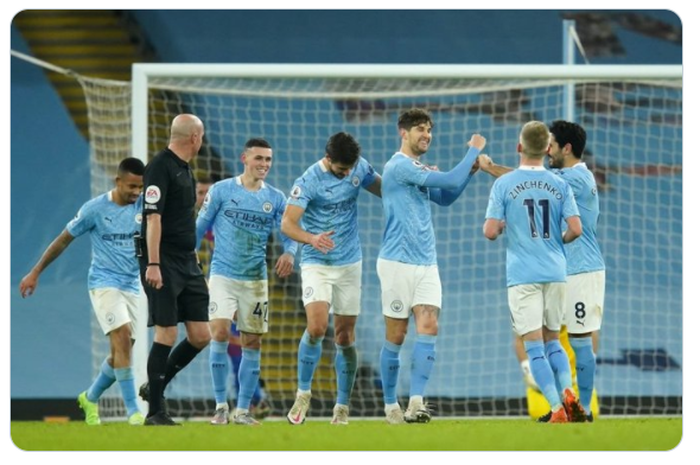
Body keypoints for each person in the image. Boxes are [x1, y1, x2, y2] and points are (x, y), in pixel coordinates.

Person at [480, 120, 604, 422]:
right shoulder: (561, 178)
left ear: (566, 148)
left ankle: (582, 408)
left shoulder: (573, 178)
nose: (548, 151)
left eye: (553, 145)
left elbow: (529, 181)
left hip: (580, 269)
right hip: (561, 269)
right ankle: (570, 404)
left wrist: (490, 167)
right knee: (558, 341)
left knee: (577, 339)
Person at [19, 157, 146, 426]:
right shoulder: (94, 209)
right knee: (122, 338)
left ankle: (90, 396)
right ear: (118, 181)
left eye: (140, 187)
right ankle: (134, 411)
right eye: (132, 186)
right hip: (104, 282)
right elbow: (64, 239)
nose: (136, 192)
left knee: (121, 351)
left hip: (132, 285)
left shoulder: (144, 207)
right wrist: (36, 271)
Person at [377, 108, 484, 424]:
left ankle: (416, 403)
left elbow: (446, 196)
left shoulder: (418, 168)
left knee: (429, 326)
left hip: (426, 261)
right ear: (403, 132)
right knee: (396, 336)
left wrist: (471, 171)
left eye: (429, 129)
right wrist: (474, 149)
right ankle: (389, 405)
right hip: (396, 262)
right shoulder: (399, 167)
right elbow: (450, 177)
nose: (427, 135)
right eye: (420, 129)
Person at [281, 132, 381, 425]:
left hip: (350, 263)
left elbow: (386, 190)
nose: (347, 173)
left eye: (350, 169)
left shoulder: (358, 166)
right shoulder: (309, 180)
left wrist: (416, 184)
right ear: (328, 159)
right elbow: (287, 223)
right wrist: (312, 238)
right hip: (317, 262)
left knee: (345, 336)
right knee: (316, 327)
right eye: (341, 169)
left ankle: (342, 406)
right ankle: (303, 394)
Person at [196, 137, 297, 426]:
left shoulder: (276, 197)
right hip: (223, 276)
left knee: (252, 342)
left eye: (268, 159)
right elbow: (200, 226)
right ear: (244, 158)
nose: (264, 164)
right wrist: (189, 258)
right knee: (219, 334)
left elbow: (289, 229)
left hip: (255, 280)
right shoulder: (222, 190)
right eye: (259, 158)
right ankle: (220, 407)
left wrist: (290, 252)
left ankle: (243, 410)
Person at [139, 113, 212, 426]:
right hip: (163, 259)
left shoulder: (185, 169)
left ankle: (154, 386)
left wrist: (193, 256)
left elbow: (183, 220)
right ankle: (155, 411)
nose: (202, 141)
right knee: (166, 333)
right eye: (202, 136)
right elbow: (152, 218)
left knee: (200, 335)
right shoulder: (160, 166)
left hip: (187, 260)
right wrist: (153, 263)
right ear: (194, 137)